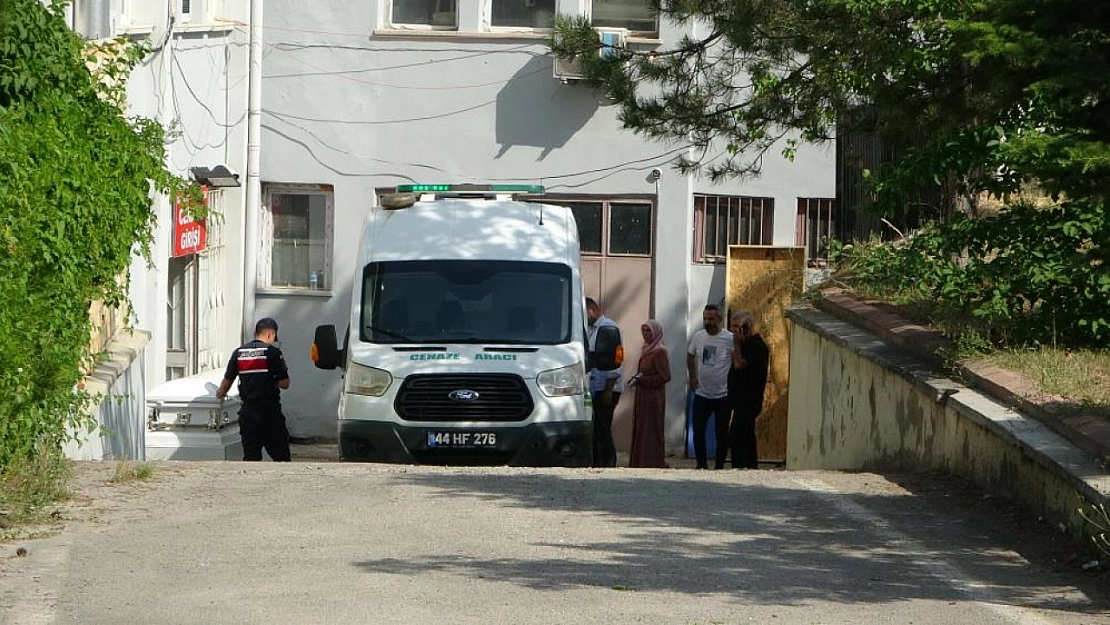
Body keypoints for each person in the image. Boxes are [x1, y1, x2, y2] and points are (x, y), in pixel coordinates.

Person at [216, 317, 292, 462]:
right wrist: (272, 379)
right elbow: (285, 383)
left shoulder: (238, 353)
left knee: (251, 457)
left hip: (248, 413)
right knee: (281, 457)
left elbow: (226, 383)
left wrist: (219, 394)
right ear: (271, 334)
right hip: (270, 413)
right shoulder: (273, 353)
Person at [687, 304, 733, 469]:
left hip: (723, 394)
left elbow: (736, 361)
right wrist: (692, 377)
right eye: (705, 319)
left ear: (720, 320)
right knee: (698, 429)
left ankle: (719, 466)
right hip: (702, 393)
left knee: (721, 432)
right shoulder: (698, 337)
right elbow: (690, 355)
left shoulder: (729, 338)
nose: (707, 322)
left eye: (711, 319)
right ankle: (701, 464)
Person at [727, 312, 770, 469]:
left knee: (740, 433)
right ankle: (742, 464)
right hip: (739, 398)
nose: (734, 332)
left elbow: (739, 364)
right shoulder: (745, 345)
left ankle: (746, 465)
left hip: (749, 398)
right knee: (740, 433)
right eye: (733, 327)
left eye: (738, 327)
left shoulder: (756, 346)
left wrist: (737, 345)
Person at [586, 297, 623, 468]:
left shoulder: (608, 327)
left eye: (585, 312)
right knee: (596, 427)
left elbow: (616, 360)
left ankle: (609, 462)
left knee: (603, 427)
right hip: (594, 386)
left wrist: (609, 389)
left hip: (607, 386)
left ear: (593, 309)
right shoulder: (590, 329)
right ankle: (597, 461)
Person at [629, 319, 671, 468]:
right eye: (644, 330)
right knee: (642, 427)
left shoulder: (659, 352)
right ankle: (640, 461)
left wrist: (644, 380)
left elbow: (665, 376)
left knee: (651, 429)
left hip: (653, 397)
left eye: (649, 331)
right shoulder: (646, 349)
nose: (646, 334)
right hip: (643, 395)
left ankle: (653, 461)